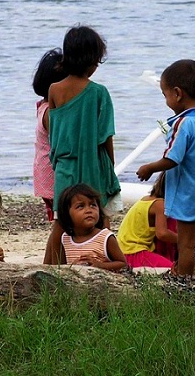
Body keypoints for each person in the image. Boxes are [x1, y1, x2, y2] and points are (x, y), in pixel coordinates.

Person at [136, 59, 195, 277]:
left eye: (165, 95)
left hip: (188, 195)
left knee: (185, 245)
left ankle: (185, 285)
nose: (166, 100)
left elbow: (172, 158)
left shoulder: (183, 123)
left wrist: (150, 167)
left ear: (177, 93)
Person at [44, 25, 121, 263]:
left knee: (61, 221)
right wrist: (111, 167)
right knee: (99, 218)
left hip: (65, 168)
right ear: (92, 61)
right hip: (92, 165)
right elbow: (105, 137)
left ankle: (50, 268)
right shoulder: (99, 93)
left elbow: (54, 135)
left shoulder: (54, 90)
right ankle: (105, 263)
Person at [46, 183, 126, 272]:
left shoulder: (105, 237)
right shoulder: (65, 239)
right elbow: (62, 269)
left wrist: (100, 265)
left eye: (93, 205)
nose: (89, 210)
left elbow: (123, 264)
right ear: (67, 213)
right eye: (81, 206)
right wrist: (73, 267)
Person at [117, 172, 178, 269]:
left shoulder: (149, 199)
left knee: (171, 220)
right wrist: (185, 241)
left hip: (124, 251)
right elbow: (162, 234)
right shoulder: (160, 205)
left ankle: (170, 257)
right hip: (133, 253)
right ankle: (170, 260)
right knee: (172, 270)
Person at [32, 47, 65, 221]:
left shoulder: (43, 106)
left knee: (59, 221)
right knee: (62, 221)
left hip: (45, 174)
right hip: (52, 177)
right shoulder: (51, 114)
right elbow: (64, 142)